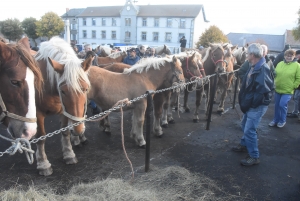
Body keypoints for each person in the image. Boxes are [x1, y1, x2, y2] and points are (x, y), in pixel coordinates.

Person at [232, 43, 274, 166]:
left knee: (249, 130)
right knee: (245, 125)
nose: (245, 55)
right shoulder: (254, 66)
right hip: (251, 105)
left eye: (247, 54)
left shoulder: (262, 69)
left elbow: (262, 92)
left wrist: (251, 104)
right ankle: (244, 144)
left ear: (252, 55)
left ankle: (254, 156)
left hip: (256, 106)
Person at [269, 49, 300, 128]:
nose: (288, 57)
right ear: (284, 56)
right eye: (287, 56)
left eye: (291, 56)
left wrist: (294, 86)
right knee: (276, 106)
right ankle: (275, 120)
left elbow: (298, 78)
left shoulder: (297, 65)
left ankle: (282, 120)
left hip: (288, 90)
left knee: (282, 105)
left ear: (294, 56)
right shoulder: (280, 63)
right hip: (278, 88)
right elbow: (275, 73)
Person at [286, 50, 300, 118]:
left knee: (297, 98)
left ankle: (296, 112)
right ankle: (296, 111)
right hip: (297, 86)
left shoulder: (297, 64)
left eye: (297, 55)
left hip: (298, 86)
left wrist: (294, 85)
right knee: (296, 98)